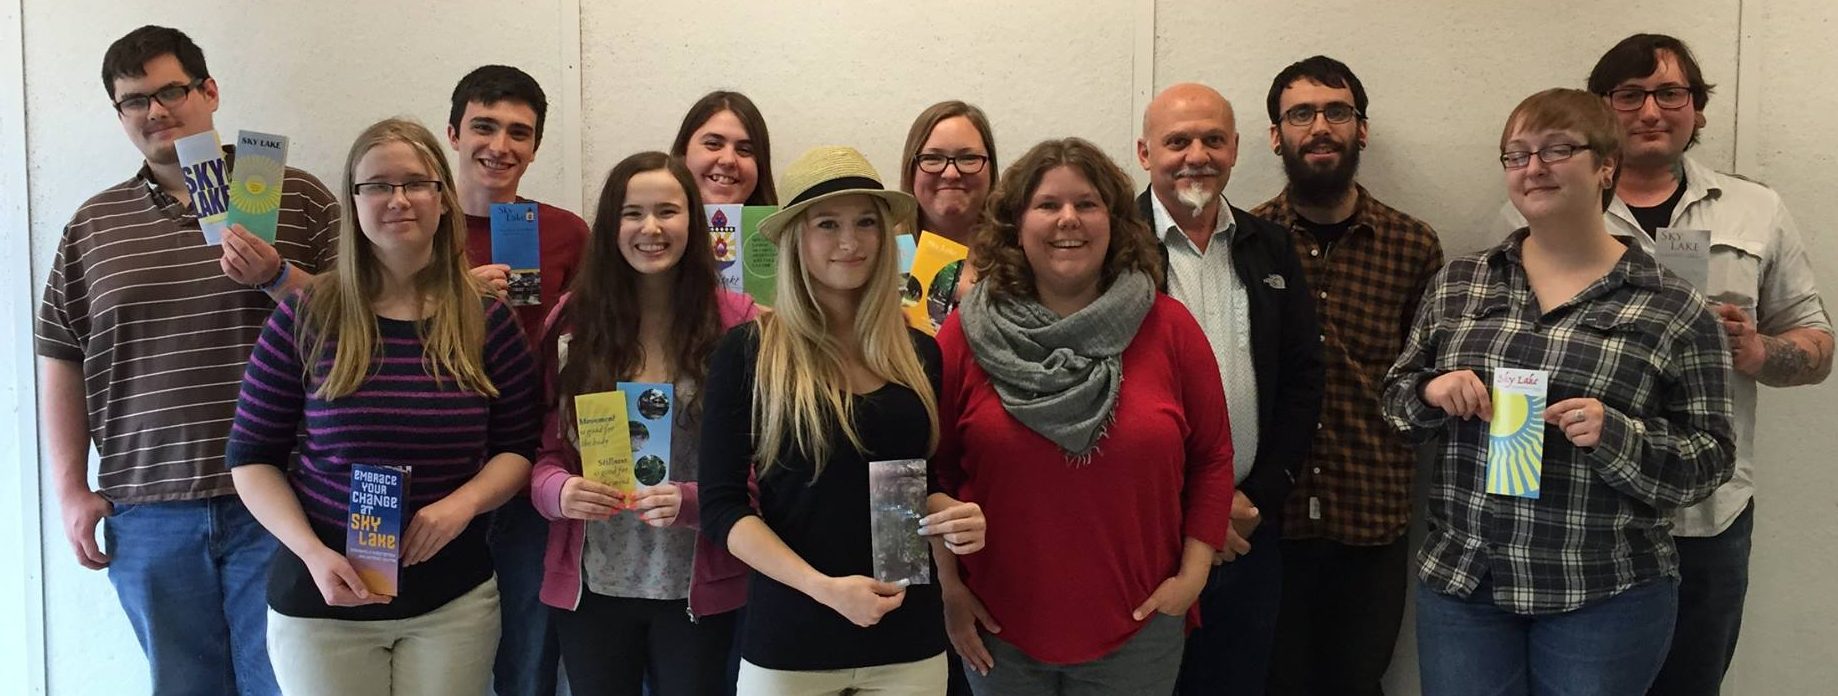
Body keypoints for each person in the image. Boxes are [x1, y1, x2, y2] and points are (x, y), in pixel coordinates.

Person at [1494, 35, 1834, 695]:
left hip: (1706, 511)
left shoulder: (1755, 209)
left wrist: (1759, 351)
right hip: (1579, 515)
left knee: (1689, 683)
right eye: (1630, 94)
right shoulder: (1537, 202)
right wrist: (1515, 481)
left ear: (1697, 110)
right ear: (1600, 110)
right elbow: (1510, 355)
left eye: (1670, 93)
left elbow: (1816, 344)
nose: (1651, 110)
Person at [1383, 88, 1736, 695]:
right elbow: (1395, 405)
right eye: (1516, 155)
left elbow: (1712, 458)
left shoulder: (1674, 306)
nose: (1533, 168)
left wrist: (1617, 435)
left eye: (1556, 150)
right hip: (1469, 585)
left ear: (1606, 166)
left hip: (1604, 592)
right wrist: (1432, 391)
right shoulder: (1459, 284)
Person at [35, 24, 337, 695]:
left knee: (285, 686)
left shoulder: (300, 197)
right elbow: (61, 355)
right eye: (133, 100)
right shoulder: (93, 224)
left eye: (171, 90)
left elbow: (364, 326)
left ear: (209, 91)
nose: (155, 111)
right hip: (147, 511)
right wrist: (68, 490)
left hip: (284, 501)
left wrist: (281, 275)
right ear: (120, 115)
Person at [224, 117, 539, 696]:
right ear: (354, 202)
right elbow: (251, 458)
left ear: (443, 199)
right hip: (322, 598)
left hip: (452, 600)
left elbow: (518, 448)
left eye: (415, 183)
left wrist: (461, 505)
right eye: (377, 185)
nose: (398, 199)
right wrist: (313, 553)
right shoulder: (306, 315)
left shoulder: (486, 319)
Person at [933, 136, 1235, 695]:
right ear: (1016, 224)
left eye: (1087, 204)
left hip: (1140, 630)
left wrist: (1191, 580)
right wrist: (951, 591)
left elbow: (1212, 458)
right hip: (1000, 631)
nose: (1067, 219)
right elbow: (933, 472)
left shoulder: (1169, 329)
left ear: (1115, 222)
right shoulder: (965, 335)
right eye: (1047, 205)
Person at [698, 146, 986, 695]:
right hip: (791, 641)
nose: (849, 242)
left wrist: (954, 514)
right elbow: (722, 508)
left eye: (864, 223)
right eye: (827, 224)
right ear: (795, 241)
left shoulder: (921, 353)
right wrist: (824, 589)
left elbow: (925, 484)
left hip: (907, 638)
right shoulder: (750, 352)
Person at [1249, 55, 1444, 696]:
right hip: (1267, 517)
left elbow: (1425, 379)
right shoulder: (1244, 241)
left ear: (1362, 129)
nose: (1320, 126)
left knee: (1359, 683)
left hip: (1372, 513)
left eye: (1338, 111)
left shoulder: (1413, 245)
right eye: (1300, 113)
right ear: (1276, 135)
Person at [532, 151, 758, 696]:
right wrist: (559, 492)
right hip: (591, 587)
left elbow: (762, 469)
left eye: (668, 211)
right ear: (612, 226)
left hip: (697, 587)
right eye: (633, 213)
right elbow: (541, 455)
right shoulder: (572, 322)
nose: (650, 228)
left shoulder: (739, 324)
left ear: (693, 223)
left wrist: (695, 501)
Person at [1132, 82, 1324, 695]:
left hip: (1247, 531)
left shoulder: (1269, 246)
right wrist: (1193, 513)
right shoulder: (1111, 248)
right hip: (1145, 534)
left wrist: (1255, 498)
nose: (1197, 155)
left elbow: (1302, 379)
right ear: (1144, 153)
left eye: (1213, 139)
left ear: (1236, 148)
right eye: (1177, 141)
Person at [445, 63, 589, 696]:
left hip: (532, 472)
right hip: (437, 473)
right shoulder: (410, 224)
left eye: (518, 133)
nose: (499, 146)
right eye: (483, 126)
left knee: (530, 657)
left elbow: (592, 353)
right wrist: (451, 299)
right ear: (452, 133)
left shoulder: (565, 232)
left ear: (534, 147)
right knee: (439, 654)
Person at [897, 100, 999, 333]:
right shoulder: (882, 257)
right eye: (932, 158)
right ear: (910, 169)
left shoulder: (1021, 256)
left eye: (968, 158)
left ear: (991, 169)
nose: (951, 173)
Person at [670, 91, 779, 206]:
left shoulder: (783, 224)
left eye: (744, 150)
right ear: (684, 150)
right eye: (713, 144)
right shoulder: (651, 223)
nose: (728, 160)